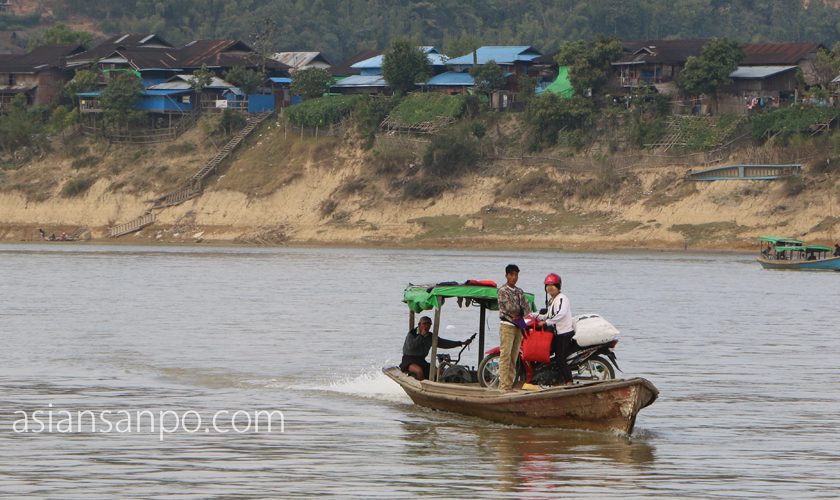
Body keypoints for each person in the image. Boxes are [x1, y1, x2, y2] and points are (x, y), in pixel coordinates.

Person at [400, 315, 470, 381]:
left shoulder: (430, 336)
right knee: (419, 372)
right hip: (409, 361)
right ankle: (422, 388)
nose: (426, 326)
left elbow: (444, 343)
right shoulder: (412, 334)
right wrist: (421, 336)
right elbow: (411, 346)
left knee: (439, 372)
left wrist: (460, 343)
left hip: (421, 361)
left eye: (429, 324)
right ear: (419, 325)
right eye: (424, 324)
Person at [535, 273, 575, 386]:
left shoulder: (562, 298)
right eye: (547, 285)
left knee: (560, 358)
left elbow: (560, 314)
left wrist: (546, 322)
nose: (550, 287)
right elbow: (548, 315)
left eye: (553, 285)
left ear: (558, 286)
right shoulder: (553, 300)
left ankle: (569, 381)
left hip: (564, 333)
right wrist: (533, 316)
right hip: (557, 333)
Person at [497, 264, 532, 392]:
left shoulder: (519, 291)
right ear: (506, 275)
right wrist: (519, 312)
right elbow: (511, 309)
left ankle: (509, 384)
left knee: (514, 356)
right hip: (507, 325)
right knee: (505, 356)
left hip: (519, 326)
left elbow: (527, 307)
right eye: (511, 274)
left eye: (516, 275)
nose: (514, 277)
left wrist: (520, 313)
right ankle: (504, 386)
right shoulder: (502, 291)